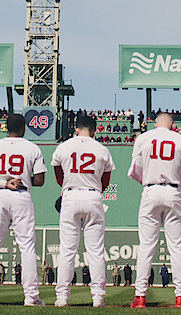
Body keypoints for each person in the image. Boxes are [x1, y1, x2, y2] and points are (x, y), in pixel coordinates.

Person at [0, 114, 46, 306]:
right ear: (24, 128)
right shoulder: (32, 148)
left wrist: (4, 183)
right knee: (27, 247)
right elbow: (39, 180)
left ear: (6, 128)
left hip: (0, 194)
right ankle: (31, 297)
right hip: (22, 195)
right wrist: (19, 180)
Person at [129, 112, 181, 308]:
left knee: (146, 247)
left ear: (155, 123)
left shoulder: (143, 138)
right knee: (177, 248)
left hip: (150, 189)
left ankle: (140, 296)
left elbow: (135, 170)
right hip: (173, 191)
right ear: (172, 125)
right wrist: (173, 171)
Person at [50, 113, 115, 307]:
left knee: (67, 251)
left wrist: (70, 187)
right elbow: (105, 181)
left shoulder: (64, 147)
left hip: (70, 195)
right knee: (95, 251)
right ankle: (98, 297)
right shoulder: (101, 149)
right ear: (94, 131)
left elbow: (58, 176)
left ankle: (62, 296)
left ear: (76, 129)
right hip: (93, 195)